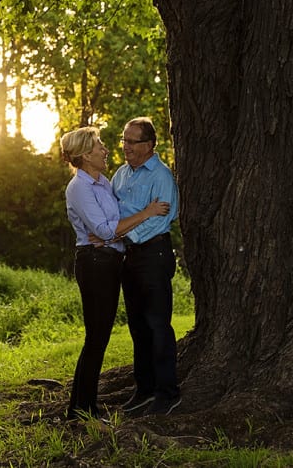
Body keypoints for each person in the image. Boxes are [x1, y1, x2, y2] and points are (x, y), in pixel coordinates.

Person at [60, 126, 170, 421]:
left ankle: (82, 407)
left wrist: (112, 235)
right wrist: (146, 213)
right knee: (96, 337)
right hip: (94, 264)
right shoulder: (80, 187)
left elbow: (114, 224)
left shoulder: (103, 182)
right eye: (99, 146)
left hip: (109, 261)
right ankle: (82, 409)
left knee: (100, 336)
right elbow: (107, 230)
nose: (106, 150)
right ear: (85, 154)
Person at [111, 117, 181, 416]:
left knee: (158, 325)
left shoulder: (161, 176)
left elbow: (162, 217)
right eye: (124, 140)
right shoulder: (122, 174)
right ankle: (144, 389)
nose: (125, 146)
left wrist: (124, 231)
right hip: (128, 256)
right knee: (138, 326)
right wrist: (118, 233)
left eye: (131, 141)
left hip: (154, 254)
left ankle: (167, 393)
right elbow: (111, 210)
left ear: (149, 144)